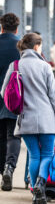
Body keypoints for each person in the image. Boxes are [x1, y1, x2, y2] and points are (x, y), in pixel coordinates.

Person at [1, 33, 55, 204]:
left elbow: (4, 92)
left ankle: (34, 194)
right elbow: (54, 98)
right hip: (47, 119)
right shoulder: (45, 66)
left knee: (34, 155)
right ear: (37, 47)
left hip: (25, 118)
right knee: (47, 154)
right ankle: (40, 183)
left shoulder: (15, 65)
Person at [0, 13, 21, 192]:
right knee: (13, 135)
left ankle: (2, 171)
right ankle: (9, 168)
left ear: (1, 27)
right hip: (14, 97)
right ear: (17, 29)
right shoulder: (21, 47)